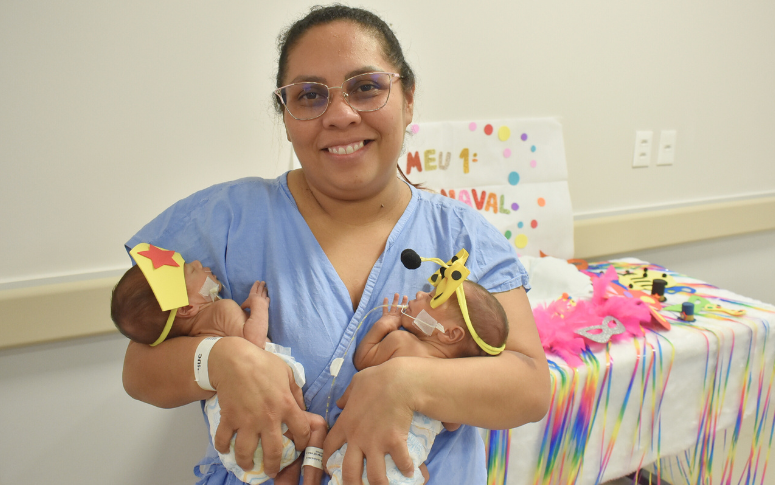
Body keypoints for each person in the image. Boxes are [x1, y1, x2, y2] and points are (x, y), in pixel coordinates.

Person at [121, 5, 551, 485]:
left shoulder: (463, 236)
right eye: (309, 95)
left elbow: (530, 387)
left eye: (366, 87)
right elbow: (139, 371)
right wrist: (219, 361)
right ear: (286, 117)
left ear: (408, 99)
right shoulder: (222, 221)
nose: (341, 115)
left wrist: (406, 382)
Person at [111, 245, 326, 485]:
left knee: (279, 461)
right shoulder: (222, 309)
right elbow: (254, 342)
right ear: (186, 308)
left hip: (232, 434)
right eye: (192, 271)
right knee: (315, 427)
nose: (198, 264)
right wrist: (259, 306)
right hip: (267, 401)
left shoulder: (184, 336)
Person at [327, 279, 509, 484]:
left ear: (450, 333)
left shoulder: (402, 342)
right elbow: (452, 425)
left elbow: (364, 359)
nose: (420, 294)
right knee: (422, 475)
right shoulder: (452, 381)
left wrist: (383, 326)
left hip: (373, 455)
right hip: (400, 462)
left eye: (431, 297)